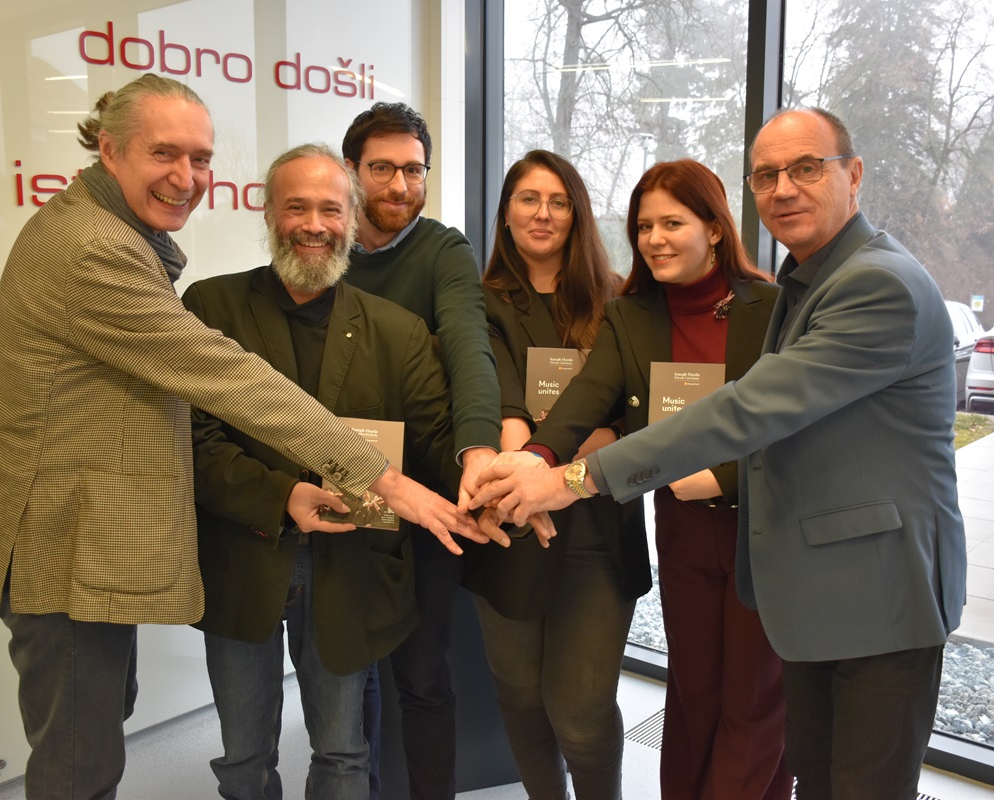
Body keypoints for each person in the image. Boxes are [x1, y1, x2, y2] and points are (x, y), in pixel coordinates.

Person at [0, 75, 485, 800]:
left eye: (201, 158)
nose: (185, 178)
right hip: (66, 550)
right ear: (109, 150)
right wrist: (380, 479)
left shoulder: (115, 233)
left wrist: (484, 459)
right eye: (164, 154)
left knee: (99, 738)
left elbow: (446, 390)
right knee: (82, 763)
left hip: (103, 550)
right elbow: (230, 384)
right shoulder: (98, 250)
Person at [471, 108, 967, 800]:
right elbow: (592, 395)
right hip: (802, 574)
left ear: (851, 175)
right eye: (765, 175)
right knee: (807, 770)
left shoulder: (870, 284)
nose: (783, 189)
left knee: (850, 777)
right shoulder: (804, 281)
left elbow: (747, 412)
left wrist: (574, 480)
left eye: (804, 169)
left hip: (875, 592)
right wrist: (537, 453)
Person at [184, 143, 464, 800]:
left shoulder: (394, 331)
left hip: (353, 568)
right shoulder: (210, 308)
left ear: (353, 216)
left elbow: (436, 440)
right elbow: (190, 440)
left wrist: (508, 462)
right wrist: (281, 495)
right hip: (242, 559)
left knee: (342, 751)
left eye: (330, 209)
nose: (314, 225)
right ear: (268, 212)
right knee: (243, 760)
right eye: (296, 207)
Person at [462, 150, 652, 800]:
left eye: (558, 200)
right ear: (505, 213)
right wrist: (527, 480)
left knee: (580, 707)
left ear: (576, 214)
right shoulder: (477, 303)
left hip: (597, 527)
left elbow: (634, 417)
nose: (542, 213)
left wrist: (549, 467)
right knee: (518, 694)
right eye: (527, 198)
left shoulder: (617, 302)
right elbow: (498, 401)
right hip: (508, 523)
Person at [341, 102, 502, 800]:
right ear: (352, 171)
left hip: (428, 492)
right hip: (344, 486)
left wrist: (476, 451)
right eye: (382, 168)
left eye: (413, 170)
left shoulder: (442, 249)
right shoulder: (321, 245)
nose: (400, 186)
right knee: (346, 677)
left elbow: (468, 346)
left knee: (424, 673)